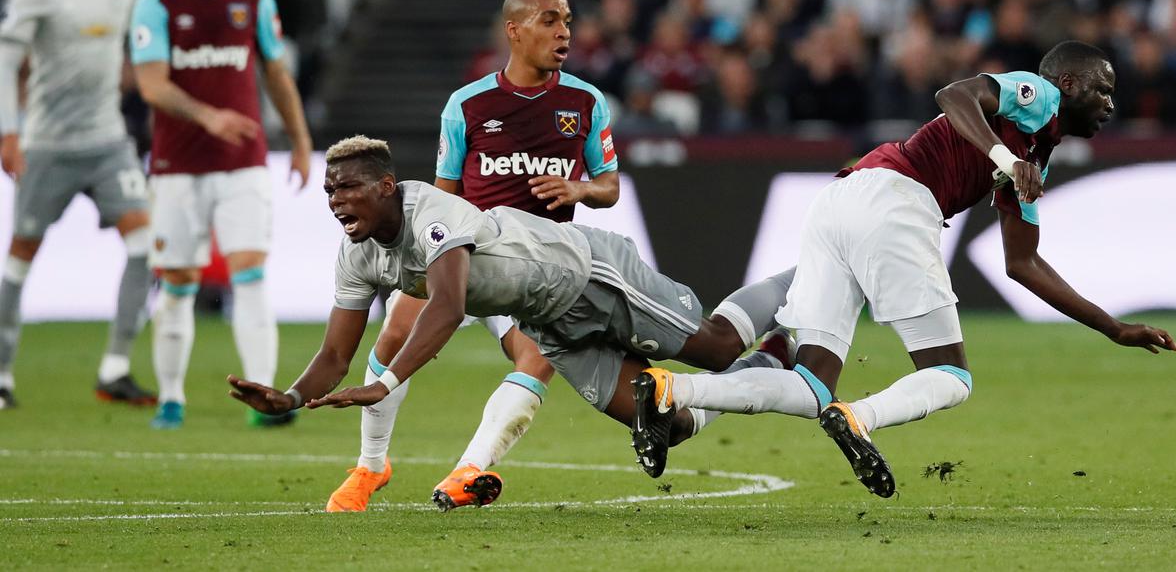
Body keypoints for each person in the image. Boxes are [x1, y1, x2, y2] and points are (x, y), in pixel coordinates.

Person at [632, 41, 1176, 497]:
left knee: (812, 385)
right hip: (897, 199)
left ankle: (670, 390)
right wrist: (1004, 159)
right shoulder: (1039, 98)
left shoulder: (1035, 158)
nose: (1109, 102)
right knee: (951, 376)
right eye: (1101, 87)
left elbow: (1023, 263)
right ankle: (862, 418)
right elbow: (955, 94)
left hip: (843, 197)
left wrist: (1114, 328)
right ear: (1065, 79)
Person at [227, 136, 798, 488]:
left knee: (719, 346)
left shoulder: (430, 212)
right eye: (330, 192)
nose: (336, 202)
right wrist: (292, 397)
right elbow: (334, 353)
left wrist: (388, 382)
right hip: (548, 323)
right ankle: (772, 364)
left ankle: (811, 276)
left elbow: (448, 307)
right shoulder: (356, 254)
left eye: (348, 189)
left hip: (589, 275)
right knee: (666, 426)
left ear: (385, 187)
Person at [325, 0, 622, 513]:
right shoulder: (467, 105)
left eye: (568, 22)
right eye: (551, 21)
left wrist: (579, 189)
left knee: (536, 358)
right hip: (466, 253)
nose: (565, 33)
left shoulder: (585, 102)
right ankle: (371, 466)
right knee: (395, 330)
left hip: (536, 270)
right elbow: (444, 197)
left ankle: (470, 469)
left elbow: (609, 187)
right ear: (515, 30)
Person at [129, 0, 312, 430]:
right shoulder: (154, 4)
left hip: (244, 164)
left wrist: (301, 141)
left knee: (250, 274)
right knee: (179, 281)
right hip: (176, 167)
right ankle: (170, 398)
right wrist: (208, 117)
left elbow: (276, 73)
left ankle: (265, 402)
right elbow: (151, 85)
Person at [0, 0, 155, 410]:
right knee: (21, 256)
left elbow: (132, 53)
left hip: (109, 140)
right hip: (48, 144)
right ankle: (1, 373)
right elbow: (6, 60)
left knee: (144, 243)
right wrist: (8, 131)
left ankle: (115, 369)